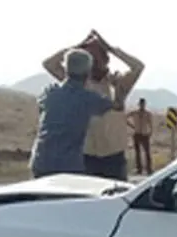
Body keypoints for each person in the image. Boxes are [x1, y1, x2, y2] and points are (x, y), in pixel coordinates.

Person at [42, 30, 143, 181]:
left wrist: (111, 48)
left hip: (113, 157)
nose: (93, 61)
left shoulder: (117, 84)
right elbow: (49, 64)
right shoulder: (77, 84)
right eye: (88, 57)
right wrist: (75, 48)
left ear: (105, 59)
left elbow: (138, 67)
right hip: (86, 156)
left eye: (96, 56)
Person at [30, 49, 119, 180]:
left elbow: (49, 64)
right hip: (68, 165)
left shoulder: (50, 92)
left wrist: (72, 49)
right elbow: (116, 105)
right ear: (88, 73)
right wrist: (115, 85)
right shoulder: (89, 99)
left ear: (65, 70)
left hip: (41, 161)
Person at [127, 98, 153, 175]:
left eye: (143, 104)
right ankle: (139, 169)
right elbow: (125, 117)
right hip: (137, 134)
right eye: (141, 104)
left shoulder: (147, 114)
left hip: (145, 134)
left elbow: (150, 124)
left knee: (147, 153)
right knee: (137, 153)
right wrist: (132, 126)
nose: (142, 105)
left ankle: (149, 169)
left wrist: (150, 132)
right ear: (139, 104)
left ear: (145, 105)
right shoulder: (135, 113)